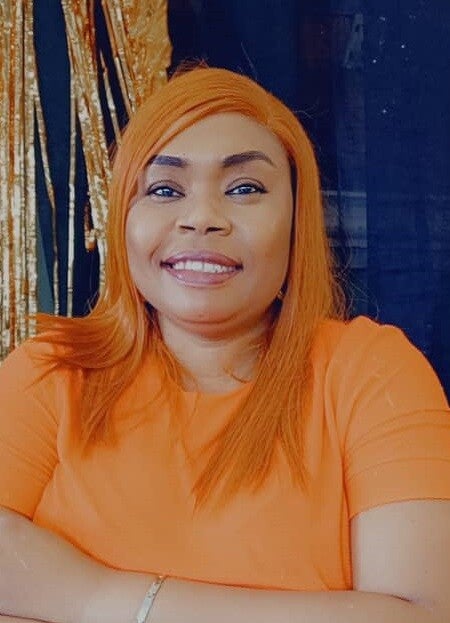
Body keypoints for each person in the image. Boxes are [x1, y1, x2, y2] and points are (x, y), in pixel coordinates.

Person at [0, 66, 449, 623]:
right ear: (122, 219)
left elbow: (420, 616)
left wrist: (93, 597)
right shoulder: (50, 373)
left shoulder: (370, 373)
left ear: (296, 221)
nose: (201, 219)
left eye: (244, 189)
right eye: (164, 189)